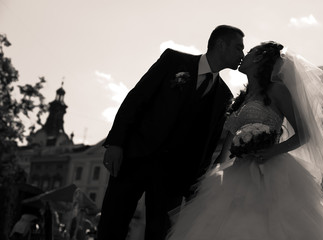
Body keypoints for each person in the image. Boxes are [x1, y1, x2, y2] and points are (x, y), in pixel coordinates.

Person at [167, 41, 323, 239]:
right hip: (236, 172)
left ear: (258, 58)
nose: (243, 56)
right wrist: (212, 175)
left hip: (271, 171)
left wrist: (272, 151)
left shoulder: (277, 90)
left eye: (248, 52)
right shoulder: (242, 98)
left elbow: (305, 134)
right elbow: (227, 147)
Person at [97, 25, 245, 240]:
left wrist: (196, 185)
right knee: (112, 225)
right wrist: (116, 144)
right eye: (238, 47)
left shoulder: (223, 95)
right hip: (134, 158)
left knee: (160, 235)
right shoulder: (174, 61)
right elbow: (137, 98)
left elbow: (207, 144)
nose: (242, 54)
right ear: (221, 44)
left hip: (173, 178)